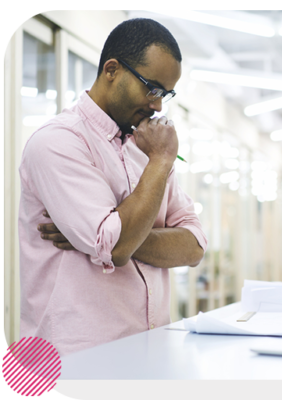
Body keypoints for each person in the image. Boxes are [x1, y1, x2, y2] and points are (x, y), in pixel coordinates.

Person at [18, 18, 207, 357]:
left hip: (152, 353)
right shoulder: (57, 142)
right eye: (152, 88)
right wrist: (161, 163)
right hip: (71, 363)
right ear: (111, 69)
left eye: (166, 93)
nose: (159, 105)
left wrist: (111, 237)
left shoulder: (147, 148)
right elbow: (116, 245)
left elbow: (194, 246)